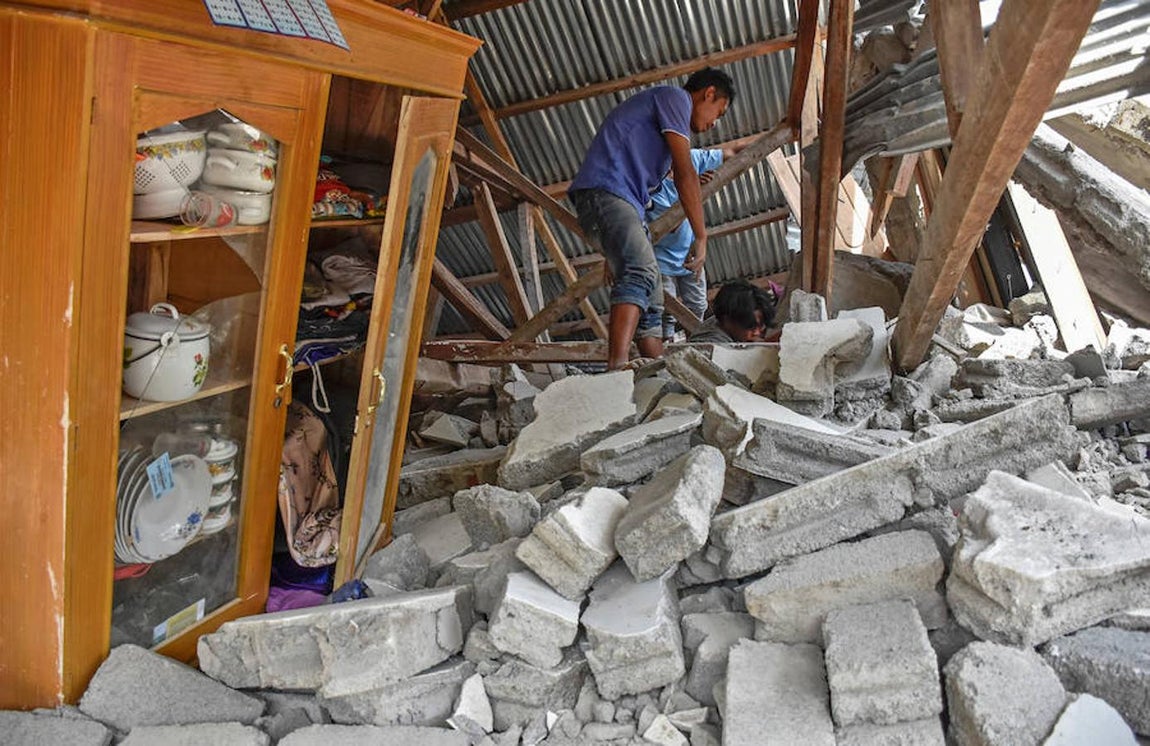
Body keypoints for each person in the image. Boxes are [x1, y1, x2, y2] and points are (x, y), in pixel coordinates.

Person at [568, 68, 736, 370]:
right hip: (608, 190)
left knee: (653, 297)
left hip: (621, 204)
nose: (714, 123)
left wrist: (615, 249)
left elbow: (670, 180)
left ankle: (658, 372)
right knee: (642, 273)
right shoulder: (675, 99)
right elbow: (686, 175)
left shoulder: (664, 144)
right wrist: (701, 235)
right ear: (708, 93)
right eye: (719, 112)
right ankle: (617, 367)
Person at [648, 145, 744, 342]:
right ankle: (664, 348)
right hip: (661, 258)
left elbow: (731, 152)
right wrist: (691, 189)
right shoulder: (650, 185)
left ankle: (696, 343)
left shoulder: (690, 159)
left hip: (690, 253)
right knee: (666, 309)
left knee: (698, 305)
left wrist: (779, 136)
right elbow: (671, 224)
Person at [689, 279, 777, 344]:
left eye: (761, 325)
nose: (757, 333)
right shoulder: (713, 346)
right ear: (727, 320)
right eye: (751, 326)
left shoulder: (728, 320)